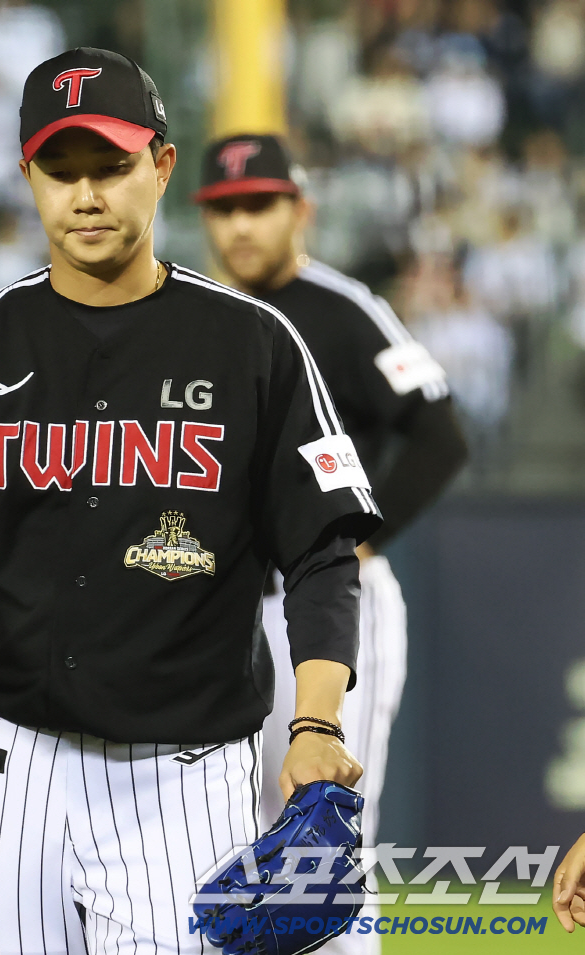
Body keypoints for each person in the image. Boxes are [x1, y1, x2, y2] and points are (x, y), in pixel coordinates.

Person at [0, 48, 376, 954]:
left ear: (159, 166)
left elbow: (323, 553)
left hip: (181, 772)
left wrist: (314, 722)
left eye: (111, 168)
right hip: (8, 764)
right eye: (61, 170)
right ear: (26, 176)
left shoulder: (252, 344)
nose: (86, 196)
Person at [195, 133, 469, 955]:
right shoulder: (207, 316)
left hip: (330, 602)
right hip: (240, 610)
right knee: (241, 837)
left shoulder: (341, 308)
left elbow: (440, 434)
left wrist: (356, 541)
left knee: (324, 834)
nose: (242, 224)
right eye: (225, 209)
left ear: (299, 209)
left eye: (259, 204)